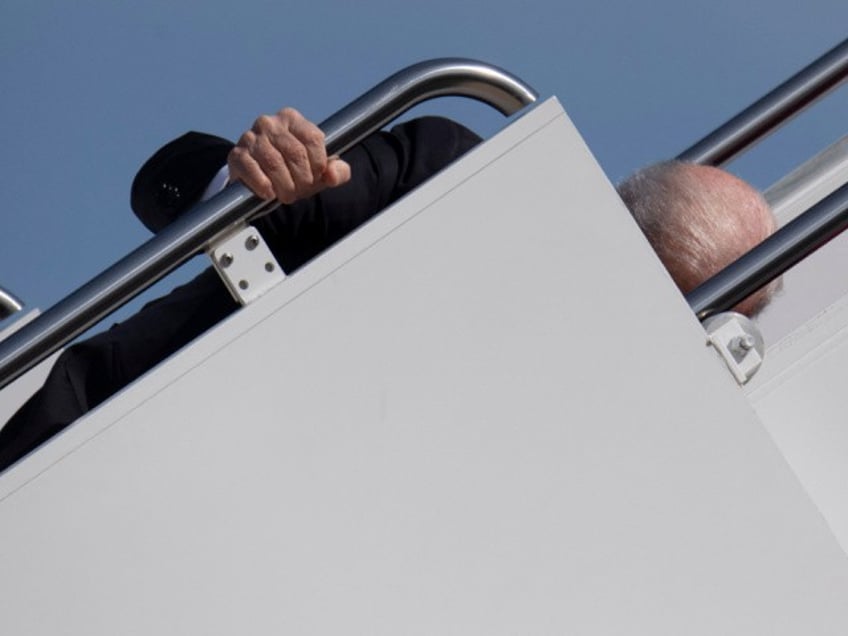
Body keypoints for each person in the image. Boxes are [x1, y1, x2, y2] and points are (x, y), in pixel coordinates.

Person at [0, 109, 777, 472]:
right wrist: (256, 173)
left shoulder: (624, 445)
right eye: (636, 270)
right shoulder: (450, 175)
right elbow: (182, 179)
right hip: (78, 451)